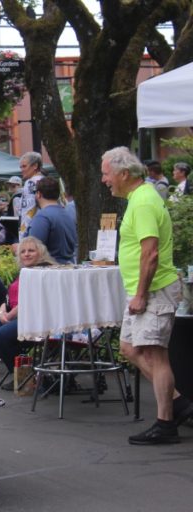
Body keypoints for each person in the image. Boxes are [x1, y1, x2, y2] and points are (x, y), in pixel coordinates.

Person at [100, 146, 193, 444]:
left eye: (106, 173)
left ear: (124, 174)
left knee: (155, 354)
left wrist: (140, 294)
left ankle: (166, 423)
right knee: (129, 347)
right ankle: (178, 403)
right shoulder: (140, 197)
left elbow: (150, 253)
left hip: (153, 289)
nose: (104, 180)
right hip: (145, 289)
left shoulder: (142, 202)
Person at [0, 237, 55, 389]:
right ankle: (22, 373)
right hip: (16, 314)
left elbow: (31, 300)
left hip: (35, 317)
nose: (26, 254)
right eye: (23, 251)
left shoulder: (43, 271)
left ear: (40, 253)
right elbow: (8, 296)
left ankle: (24, 377)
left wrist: (8, 316)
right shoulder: (24, 270)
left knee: (1, 336)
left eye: (31, 250)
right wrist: (2, 310)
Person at [27, 176, 77, 263]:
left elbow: (33, 248)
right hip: (68, 266)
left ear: (38, 194)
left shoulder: (42, 217)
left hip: (49, 269)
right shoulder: (67, 214)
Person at [18, 151, 46, 239]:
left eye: (24, 166)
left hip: (32, 231)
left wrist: (23, 237)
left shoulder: (30, 183)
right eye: (21, 167)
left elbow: (29, 211)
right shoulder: (45, 181)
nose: (21, 170)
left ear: (35, 166)